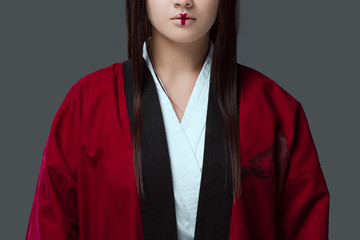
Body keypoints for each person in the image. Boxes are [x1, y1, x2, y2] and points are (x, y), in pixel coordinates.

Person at [25, 0, 330, 239]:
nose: (183, 2)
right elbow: (50, 227)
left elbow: (306, 227)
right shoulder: (87, 103)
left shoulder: (275, 109)